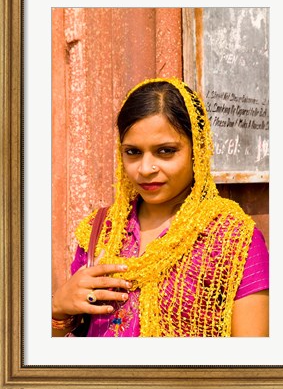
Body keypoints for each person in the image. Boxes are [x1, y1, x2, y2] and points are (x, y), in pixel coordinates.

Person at [52, 77, 269, 337]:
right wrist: (57, 308)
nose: (145, 169)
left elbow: (250, 360)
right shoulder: (101, 232)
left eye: (165, 151)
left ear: (196, 151)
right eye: (132, 152)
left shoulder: (233, 239)